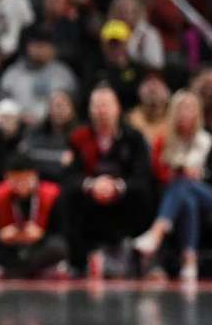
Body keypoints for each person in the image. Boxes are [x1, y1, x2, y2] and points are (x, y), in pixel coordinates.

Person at [66, 84, 154, 276]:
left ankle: (135, 255)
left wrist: (117, 186)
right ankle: (78, 260)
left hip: (124, 196)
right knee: (68, 195)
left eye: (106, 105)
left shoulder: (134, 138)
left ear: (117, 108)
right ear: (89, 110)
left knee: (144, 193)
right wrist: (92, 185)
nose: (101, 111)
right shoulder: (77, 137)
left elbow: (142, 176)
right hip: (90, 196)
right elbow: (70, 176)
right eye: (96, 106)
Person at [135, 90, 212, 282]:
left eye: (191, 108)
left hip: (210, 196)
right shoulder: (164, 141)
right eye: (182, 108)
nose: (186, 113)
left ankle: (157, 232)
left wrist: (182, 172)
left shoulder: (207, 139)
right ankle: (189, 261)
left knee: (183, 183)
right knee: (186, 197)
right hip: (178, 196)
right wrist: (181, 172)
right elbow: (158, 174)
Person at [0, 153, 68, 279]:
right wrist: (1, 235)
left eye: (26, 179)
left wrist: (41, 235)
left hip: (37, 247)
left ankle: (11, 271)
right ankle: (27, 271)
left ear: (35, 176)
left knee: (58, 246)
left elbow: (61, 231)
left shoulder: (52, 195)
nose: (21, 184)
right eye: (15, 180)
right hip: (8, 249)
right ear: (6, 178)